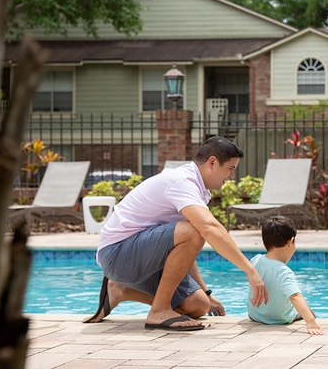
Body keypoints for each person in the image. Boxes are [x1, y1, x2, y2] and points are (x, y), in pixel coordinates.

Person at [84, 137, 268, 331]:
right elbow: (208, 229)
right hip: (117, 255)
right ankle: (159, 311)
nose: (232, 175)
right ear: (212, 162)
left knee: (199, 305)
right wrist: (250, 270)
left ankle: (120, 291)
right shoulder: (181, 182)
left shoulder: (197, 188)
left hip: (143, 256)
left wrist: (206, 292)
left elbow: (184, 249)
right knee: (195, 229)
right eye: (231, 168)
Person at [246, 216, 324, 335]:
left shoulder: (255, 261)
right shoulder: (284, 271)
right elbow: (295, 297)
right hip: (280, 318)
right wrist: (311, 321)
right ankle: (310, 314)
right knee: (309, 311)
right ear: (290, 242)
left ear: (264, 243)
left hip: (256, 315)